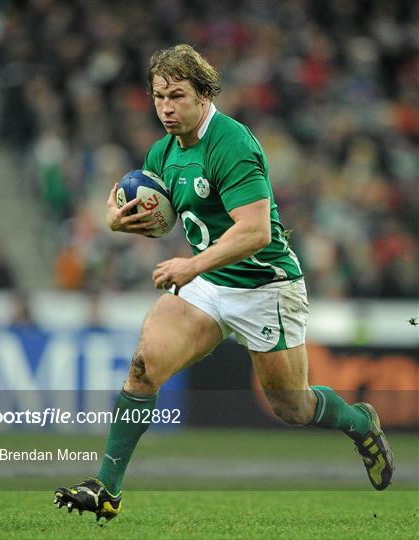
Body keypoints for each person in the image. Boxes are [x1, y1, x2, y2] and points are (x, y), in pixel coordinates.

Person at [54, 44, 394, 521]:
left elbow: (255, 231)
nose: (166, 108)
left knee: (292, 407)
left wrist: (190, 266)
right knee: (143, 367)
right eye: (158, 97)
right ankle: (106, 488)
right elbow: (163, 215)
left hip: (266, 286)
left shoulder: (231, 142)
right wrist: (119, 220)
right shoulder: (162, 151)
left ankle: (359, 422)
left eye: (177, 96)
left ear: (205, 93)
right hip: (210, 284)